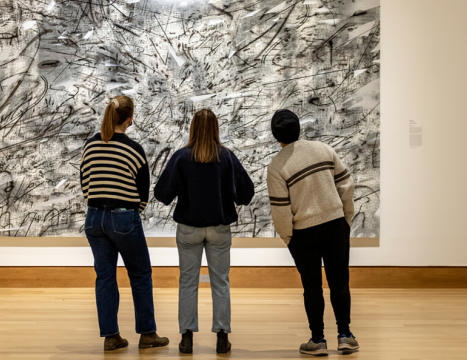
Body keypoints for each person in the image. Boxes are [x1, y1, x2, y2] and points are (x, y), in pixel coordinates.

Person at [154, 108, 255, 354]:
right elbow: (247, 193)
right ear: (216, 129)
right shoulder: (227, 157)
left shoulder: (181, 157)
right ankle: (222, 338)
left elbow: (161, 194)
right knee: (220, 282)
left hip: (188, 229)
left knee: (188, 282)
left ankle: (186, 338)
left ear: (193, 128)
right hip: (220, 228)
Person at [265, 109, 360, 356]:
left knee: (312, 287)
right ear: (299, 128)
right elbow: (347, 185)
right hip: (335, 224)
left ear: (276, 135)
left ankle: (317, 340)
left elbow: (281, 211)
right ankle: (345, 335)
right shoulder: (323, 149)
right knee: (339, 282)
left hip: (303, 233)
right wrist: (345, 218)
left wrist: (289, 238)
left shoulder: (277, 166)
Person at [80, 95, 169, 351]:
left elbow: (85, 182)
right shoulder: (133, 149)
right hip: (123, 216)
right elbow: (143, 190)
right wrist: (132, 212)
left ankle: (111, 337)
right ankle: (147, 334)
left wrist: (98, 204)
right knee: (140, 274)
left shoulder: (90, 145)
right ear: (130, 119)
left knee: (105, 277)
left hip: (94, 217)